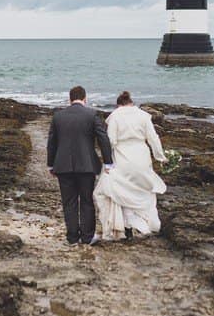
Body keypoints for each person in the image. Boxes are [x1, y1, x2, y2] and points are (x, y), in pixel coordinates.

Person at [93, 91, 167, 241]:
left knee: (123, 192)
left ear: (119, 104)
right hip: (141, 156)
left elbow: (111, 141)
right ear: (131, 102)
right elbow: (153, 138)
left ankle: (127, 228)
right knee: (144, 191)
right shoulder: (143, 116)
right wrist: (161, 157)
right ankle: (147, 224)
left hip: (123, 157)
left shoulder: (115, 116)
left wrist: (107, 160)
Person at [47, 85, 114, 246]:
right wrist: (108, 162)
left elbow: (51, 143)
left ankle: (72, 238)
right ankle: (87, 237)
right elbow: (103, 139)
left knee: (69, 202)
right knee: (86, 201)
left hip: (63, 166)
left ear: (70, 99)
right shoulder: (91, 115)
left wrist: (51, 165)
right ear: (85, 98)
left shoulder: (58, 116)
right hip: (86, 166)